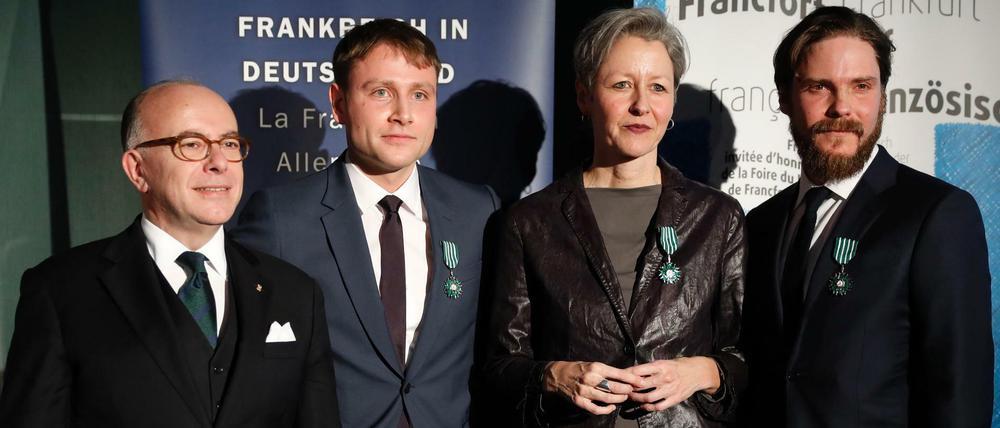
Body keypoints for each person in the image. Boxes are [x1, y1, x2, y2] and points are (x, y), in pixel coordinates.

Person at [0, 81, 340, 427]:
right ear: (137, 169)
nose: (219, 162)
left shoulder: (295, 293)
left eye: (229, 143)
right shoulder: (61, 291)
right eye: (191, 145)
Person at [483, 8, 746, 427]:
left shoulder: (718, 217)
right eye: (622, 85)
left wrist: (702, 371)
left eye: (658, 87)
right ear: (585, 96)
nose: (641, 104)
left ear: (672, 100)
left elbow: (747, 357)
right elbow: (497, 368)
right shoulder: (529, 222)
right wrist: (553, 376)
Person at [233, 19, 499, 427]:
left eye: (420, 95)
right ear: (338, 103)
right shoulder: (281, 217)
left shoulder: (477, 209)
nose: (403, 114)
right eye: (380, 93)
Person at [741, 6, 992, 427]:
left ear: (883, 97)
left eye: (861, 86)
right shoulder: (761, 223)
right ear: (784, 97)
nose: (843, 108)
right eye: (820, 87)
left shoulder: (938, 214)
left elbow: (958, 390)